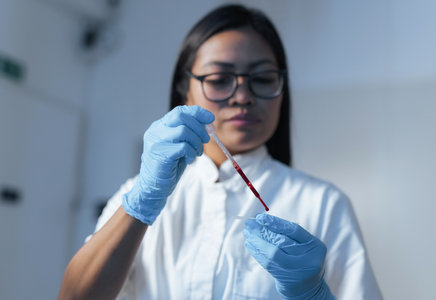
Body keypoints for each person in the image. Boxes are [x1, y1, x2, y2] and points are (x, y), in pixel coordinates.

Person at [58, 4, 382, 300]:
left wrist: (313, 294)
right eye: (219, 79)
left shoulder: (323, 204)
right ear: (185, 91)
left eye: (263, 78)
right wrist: (141, 204)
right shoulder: (136, 196)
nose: (243, 96)